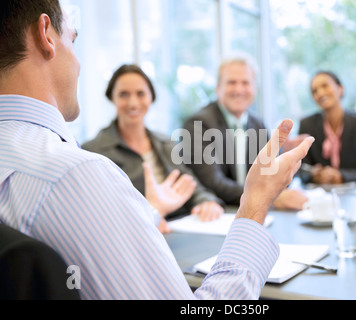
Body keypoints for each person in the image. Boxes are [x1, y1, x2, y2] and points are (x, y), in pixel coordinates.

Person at [0, 0, 315, 300]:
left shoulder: (161, 144)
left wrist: (151, 210)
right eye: (73, 39)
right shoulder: (76, 173)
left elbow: (194, 184)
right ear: (46, 36)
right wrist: (257, 200)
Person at [82, 64, 224, 224]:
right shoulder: (93, 152)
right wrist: (151, 219)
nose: (133, 103)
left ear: (151, 98)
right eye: (123, 94)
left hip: (179, 227)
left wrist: (207, 202)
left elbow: (189, 183)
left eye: (141, 94)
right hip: (138, 233)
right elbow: (102, 211)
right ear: (112, 98)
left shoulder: (165, 142)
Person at [183, 55, 309, 210]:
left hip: (255, 212)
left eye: (245, 83)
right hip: (218, 213)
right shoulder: (198, 124)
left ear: (254, 88)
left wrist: (285, 156)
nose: (239, 90)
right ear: (218, 87)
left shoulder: (257, 123)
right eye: (232, 82)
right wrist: (267, 196)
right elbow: (213, 183)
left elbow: (269, 175)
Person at [298, 71, 356, 185]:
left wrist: (343, 176)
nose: (320, 93)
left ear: (340, 89)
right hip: (319, 195)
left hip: (355, 192)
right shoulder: (307, 125)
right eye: (314, 91)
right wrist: (314, 175)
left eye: (325, 86)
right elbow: (301, 169)